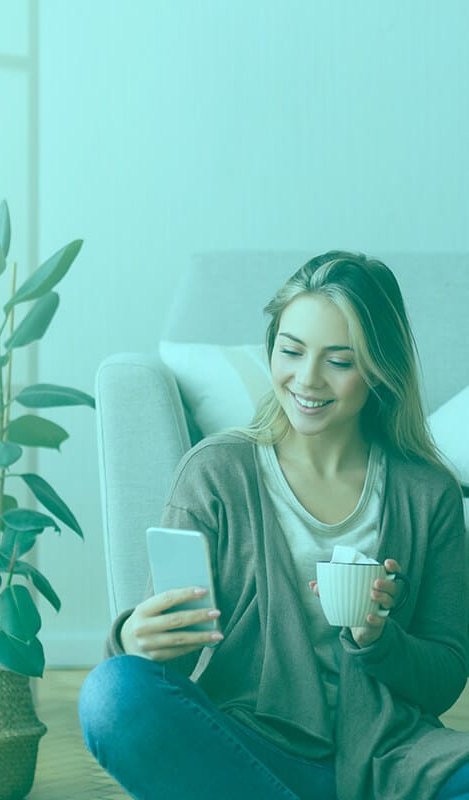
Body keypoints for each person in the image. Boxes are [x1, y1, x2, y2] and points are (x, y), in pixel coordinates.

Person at [79, 251, 469, 800]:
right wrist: (131, 638)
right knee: (111, 695)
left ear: (379, 368)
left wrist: (379, 638)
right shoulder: (215, 473)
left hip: (391, 758)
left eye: (339, 360)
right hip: (246, 749)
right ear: (272, 350)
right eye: (291, 351)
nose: (306, 379)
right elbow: (177, 658)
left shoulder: (428, 493)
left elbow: (444, 677)